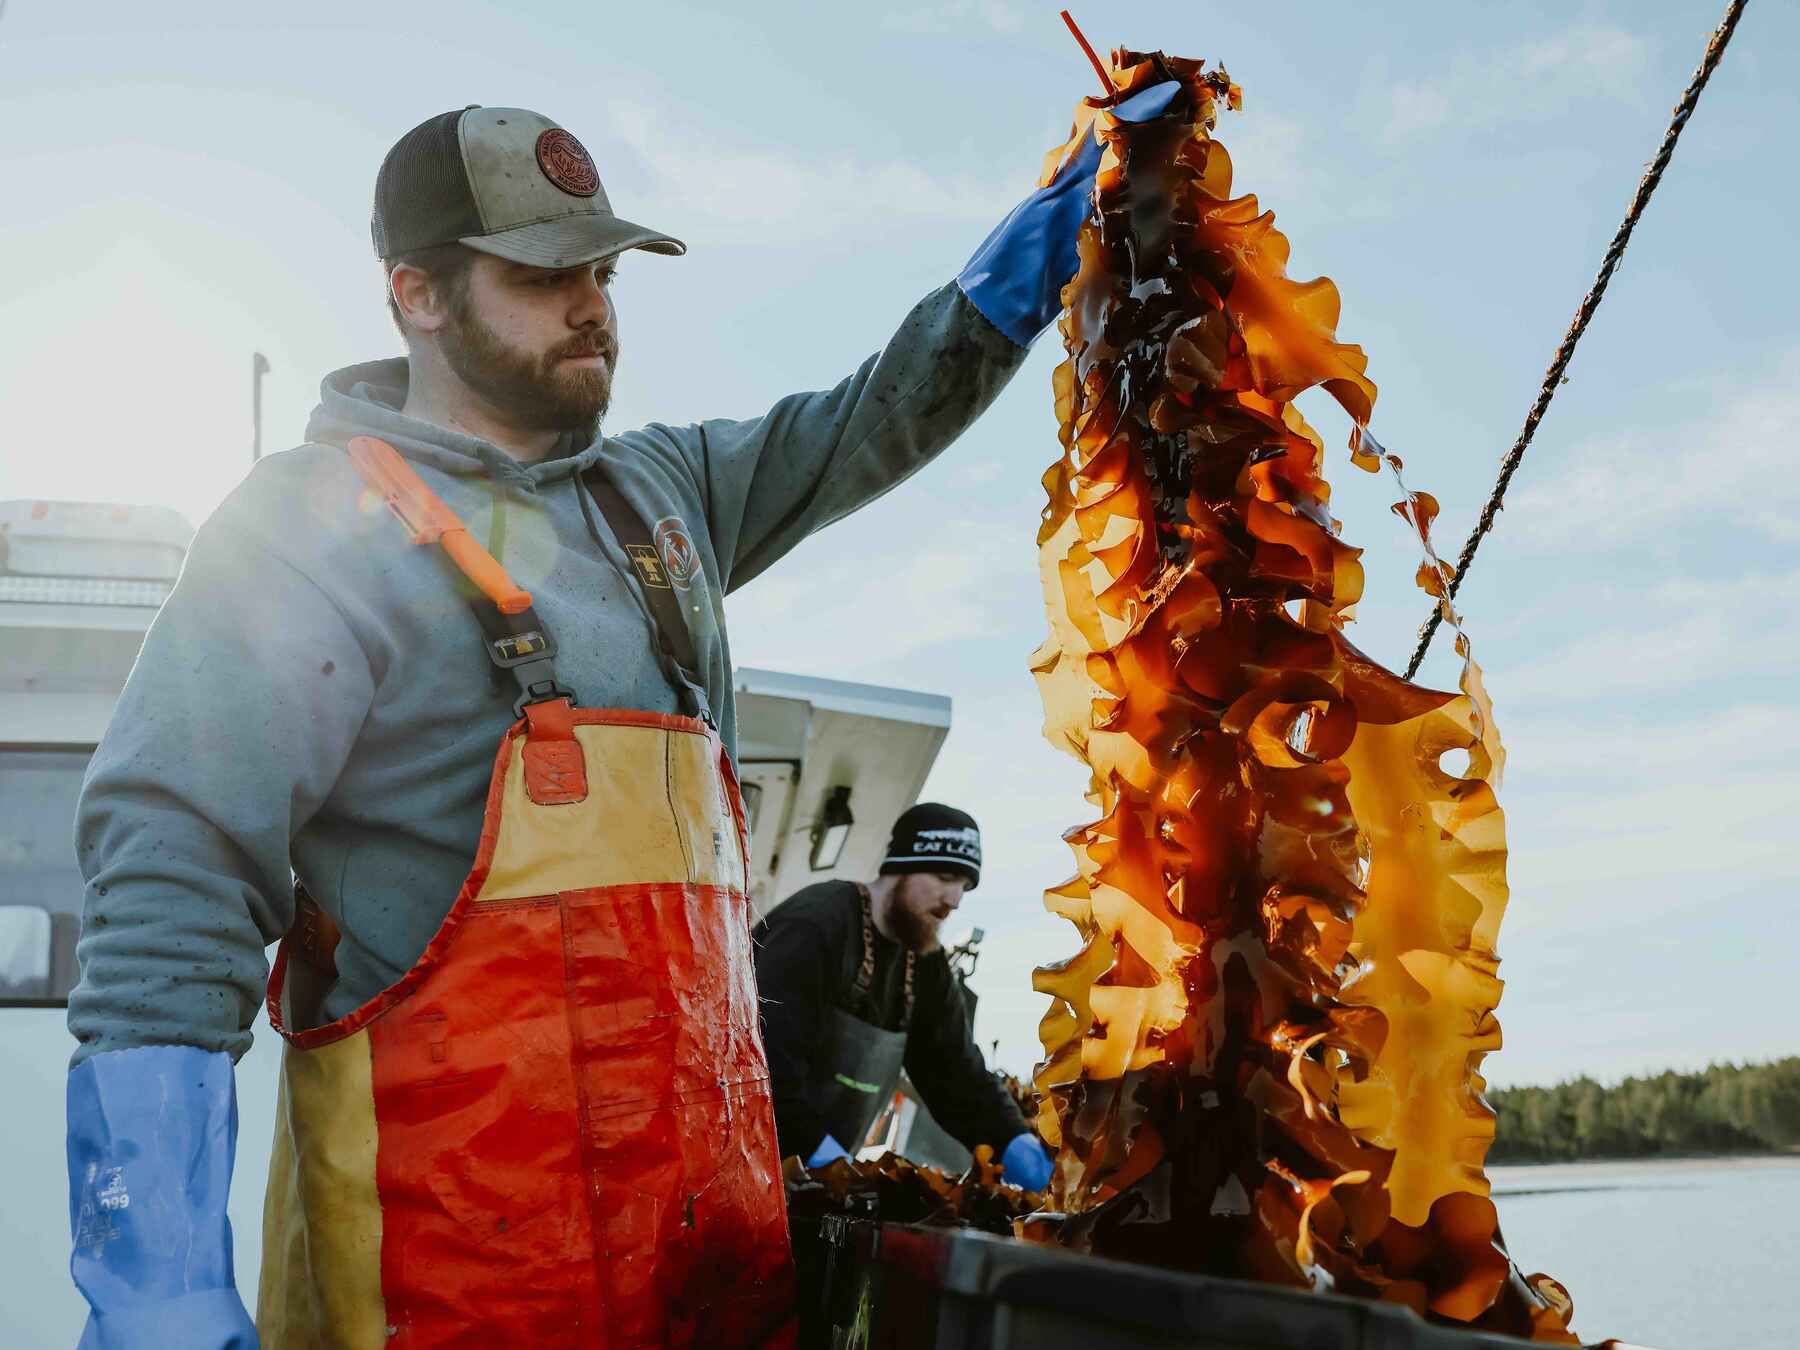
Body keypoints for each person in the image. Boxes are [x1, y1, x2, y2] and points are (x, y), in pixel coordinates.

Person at [64, 86, 1176, 1350]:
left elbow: (875, 415)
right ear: (416, 295)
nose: (593, 304)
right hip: (443, 1296)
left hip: (709, 1280)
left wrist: (1042, 247)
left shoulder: (666, 496)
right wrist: (156, 1282)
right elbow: (172, 879)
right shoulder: (307, 530)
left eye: (603, 268)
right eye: (544, 276)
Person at [752, 804, 1054, 1190]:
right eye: (946, 877)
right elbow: (764, 1066)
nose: (955, 899)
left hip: (816, 1188)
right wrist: (824, 1158)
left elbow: (955, 1077)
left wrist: (1015, 1143)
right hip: (746, 1167)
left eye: (965, 885)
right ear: (900, 867)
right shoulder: (815, 926)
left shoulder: (926, 965)